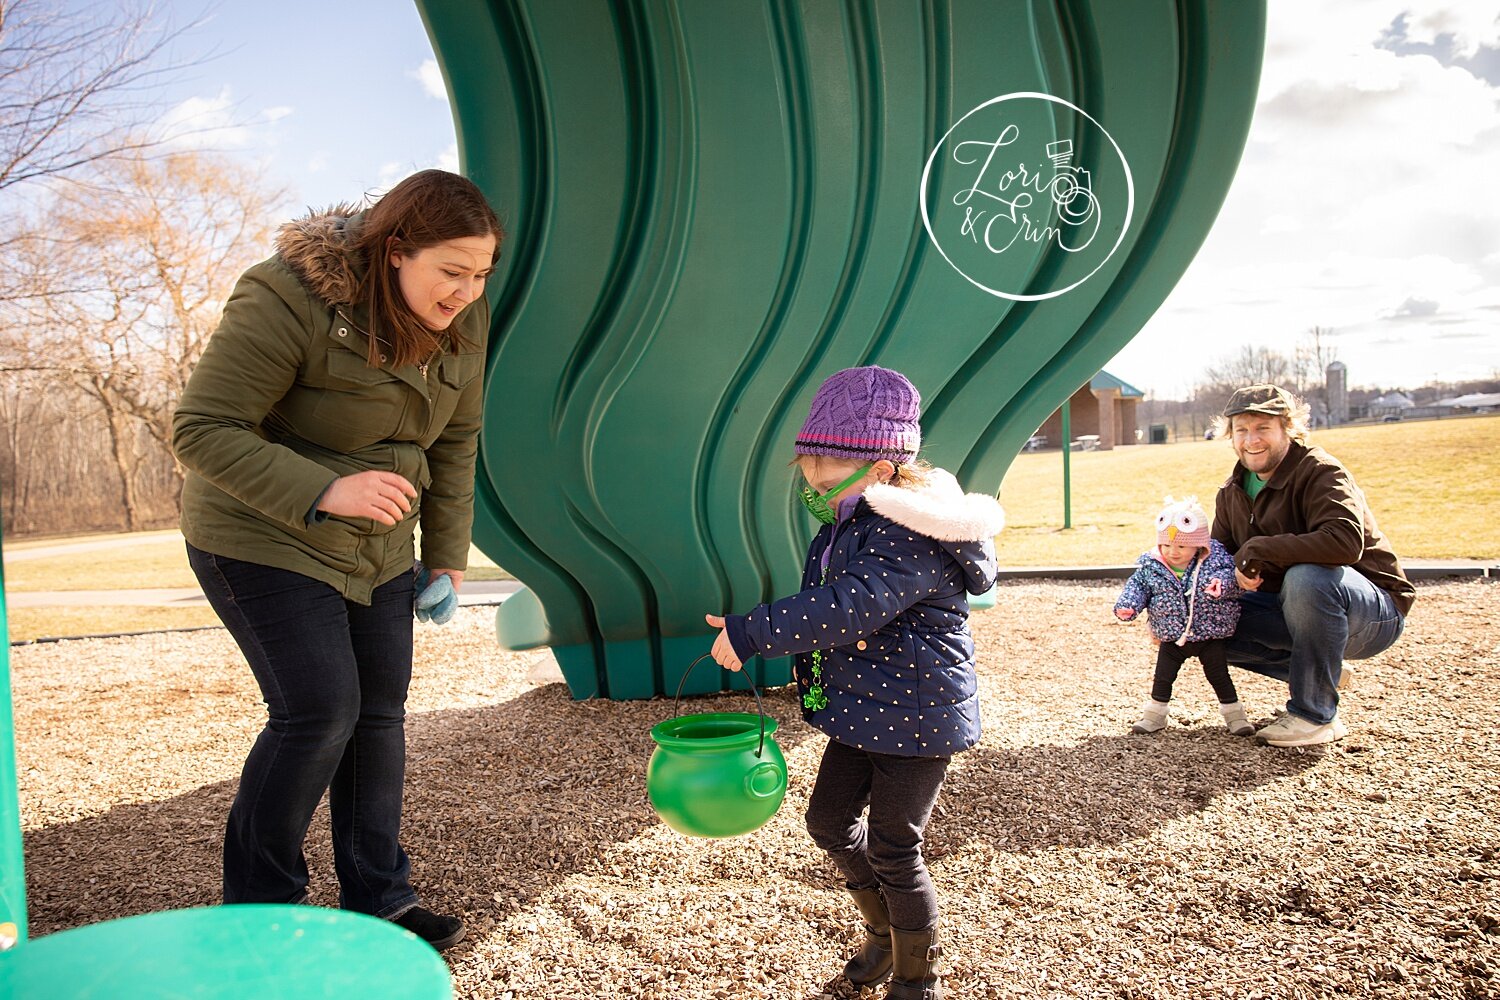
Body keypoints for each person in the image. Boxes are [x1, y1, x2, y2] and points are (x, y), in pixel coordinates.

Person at [171, 169, 502, 949]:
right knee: (319, 710)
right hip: (261, 531)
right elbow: (203, 427)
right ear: (394, 251)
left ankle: (380, 900)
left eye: (481, 273)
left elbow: (456, 439)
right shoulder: (288, 295)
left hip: (379, 544)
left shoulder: (465, 319)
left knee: (378, 718)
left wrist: (447, 556)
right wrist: (327, 488)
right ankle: (260, 912)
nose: (465, 291)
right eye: (450, 271)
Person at [704, 366, 1004, 1000]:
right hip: (863, 709)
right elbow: (830, 605)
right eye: (809, 465)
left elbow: (849, 606)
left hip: (918, 719)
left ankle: (918, 974)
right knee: (829, 822)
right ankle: (883, 937)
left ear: (886, 469)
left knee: (896, 848)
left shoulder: (911, 532)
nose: (814, 482)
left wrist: (754, 631)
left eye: (829, 468)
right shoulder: (852, 518)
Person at [1211, 384, 1414, 748]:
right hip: (1293, 610)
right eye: (1241, 430)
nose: (1251, 440)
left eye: (1263, 428)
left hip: (1371, 611)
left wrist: (1260, 548)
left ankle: (1315, 716)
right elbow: (1221, 560)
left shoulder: (1320, 470)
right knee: (1199, 621)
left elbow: (1345, 542)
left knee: (1307, 576)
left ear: (1288, 428)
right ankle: (1319, 672)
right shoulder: (1231, 492)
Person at [1113, 496, 1252, 737]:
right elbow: (1137, 587)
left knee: (1219, 676)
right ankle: (1155, 715)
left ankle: (1235, 716)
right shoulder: (1152, 565)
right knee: (1163, 677)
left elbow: (1236, 582)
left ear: (1198, 545)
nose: (1172, 552)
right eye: (1166, 546)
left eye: (1181, 547)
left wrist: (1223, 585)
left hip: (1210, 634)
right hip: (1172, 635)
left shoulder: (1215, 561)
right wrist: (1129, 606)